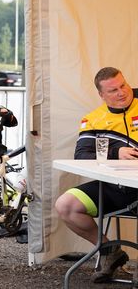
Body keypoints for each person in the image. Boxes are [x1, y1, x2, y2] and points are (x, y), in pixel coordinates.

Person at [55, 67, 138, 283]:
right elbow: (82, 155)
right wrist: (115, 152)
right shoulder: (93, 120)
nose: (121, 92)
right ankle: (110, 252)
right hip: (113, 188)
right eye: (113, 90)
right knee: (66, 205)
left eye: (123, 85)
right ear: (101, 95)